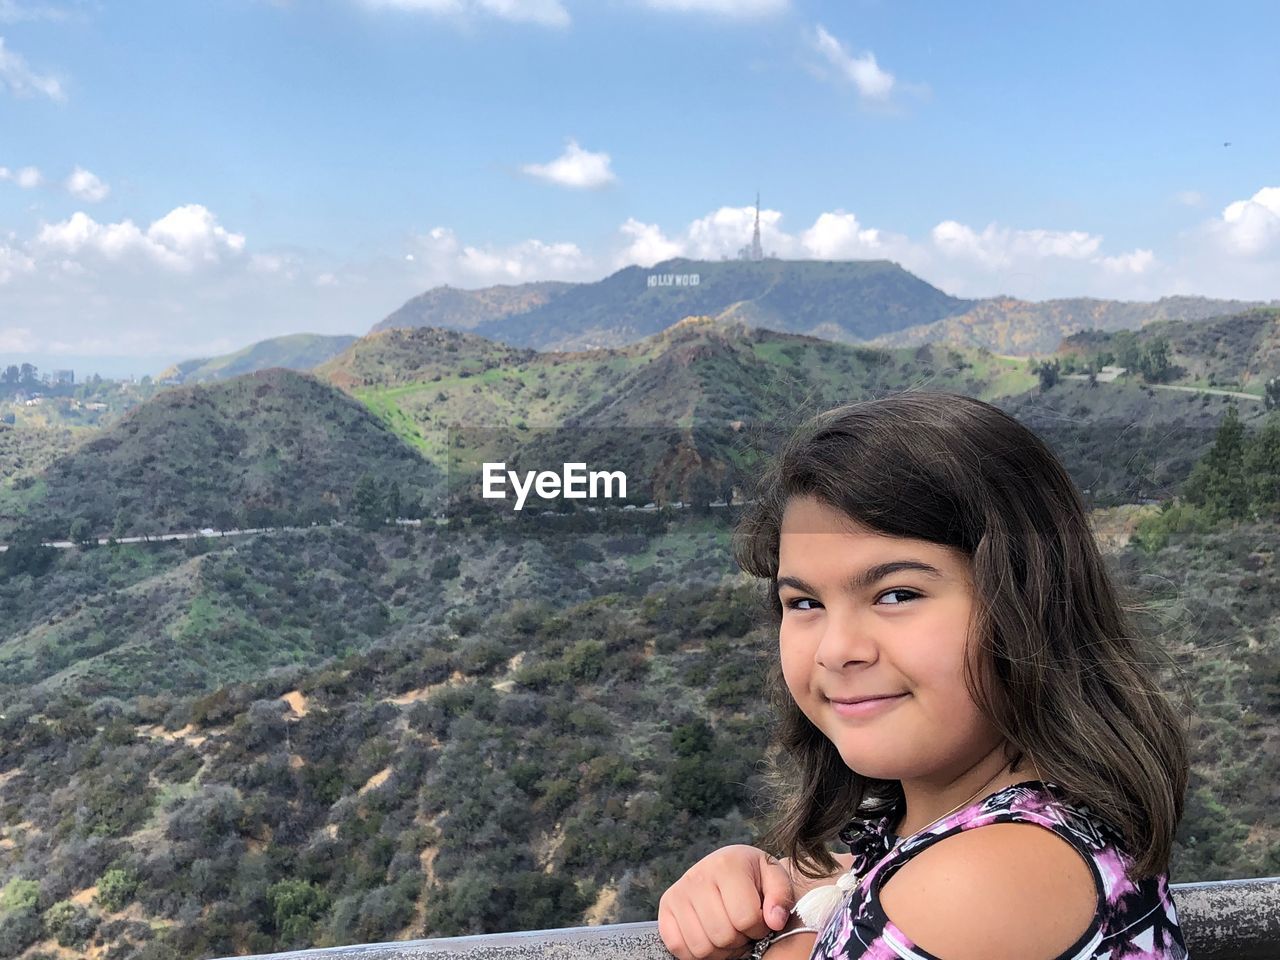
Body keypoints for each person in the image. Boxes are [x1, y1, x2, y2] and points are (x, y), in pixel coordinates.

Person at [657, 391, 1191, 960]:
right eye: (805, 603)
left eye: (897, 594)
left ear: (1029, 603)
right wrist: (780, 883)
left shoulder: (985, 885)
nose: (837, 650)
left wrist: (777, 943)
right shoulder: (1028, 836)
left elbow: (942, 902)